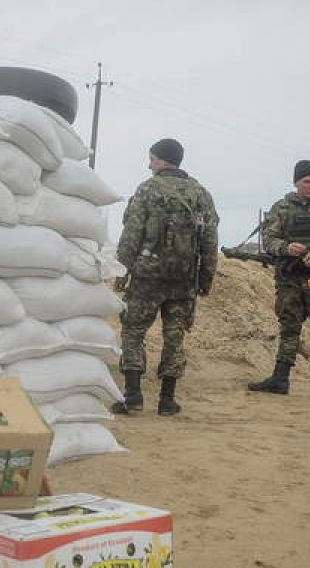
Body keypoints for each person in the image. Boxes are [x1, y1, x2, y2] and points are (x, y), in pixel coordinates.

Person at [113, 138, 218, 416]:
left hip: (148, 276)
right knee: (175, 336)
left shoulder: (147, 190)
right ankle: (167, 400)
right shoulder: (201, 194)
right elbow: (210, 242)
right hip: (183, 280)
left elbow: (131, 236)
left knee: (133, 330)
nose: (149, 165)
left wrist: (121, 272)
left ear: (162, 160)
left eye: (152, 159)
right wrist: (206, 279)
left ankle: (133, 395)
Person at [247, 160, 310, 402]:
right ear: (296, 182)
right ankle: (280, 379)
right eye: (307, 181)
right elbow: (270, 238)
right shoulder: (282, 208)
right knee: (289, 327)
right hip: (290, 278)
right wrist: (286, 248)